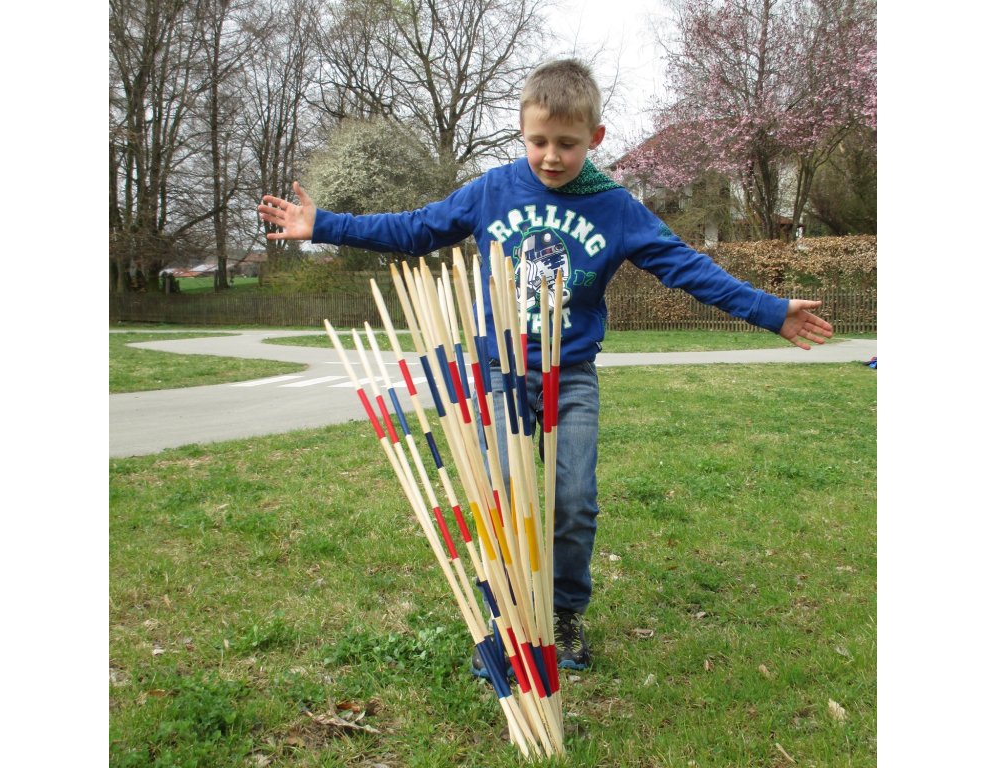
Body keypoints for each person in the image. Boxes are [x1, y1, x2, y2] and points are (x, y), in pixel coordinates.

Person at [257, 59, 833, 673]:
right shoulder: (493, 190)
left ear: (595, 138)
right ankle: (508, 621)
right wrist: (325, 225)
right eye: (538, 141)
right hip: (497, 371)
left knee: (574, 500)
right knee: (503, 501)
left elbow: (685, 267)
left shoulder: (615, 207)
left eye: (567, 143)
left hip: (570, 374)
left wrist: (768, 309)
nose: (551, 157)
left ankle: (563, 612)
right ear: (522, 132)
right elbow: (417, 229)